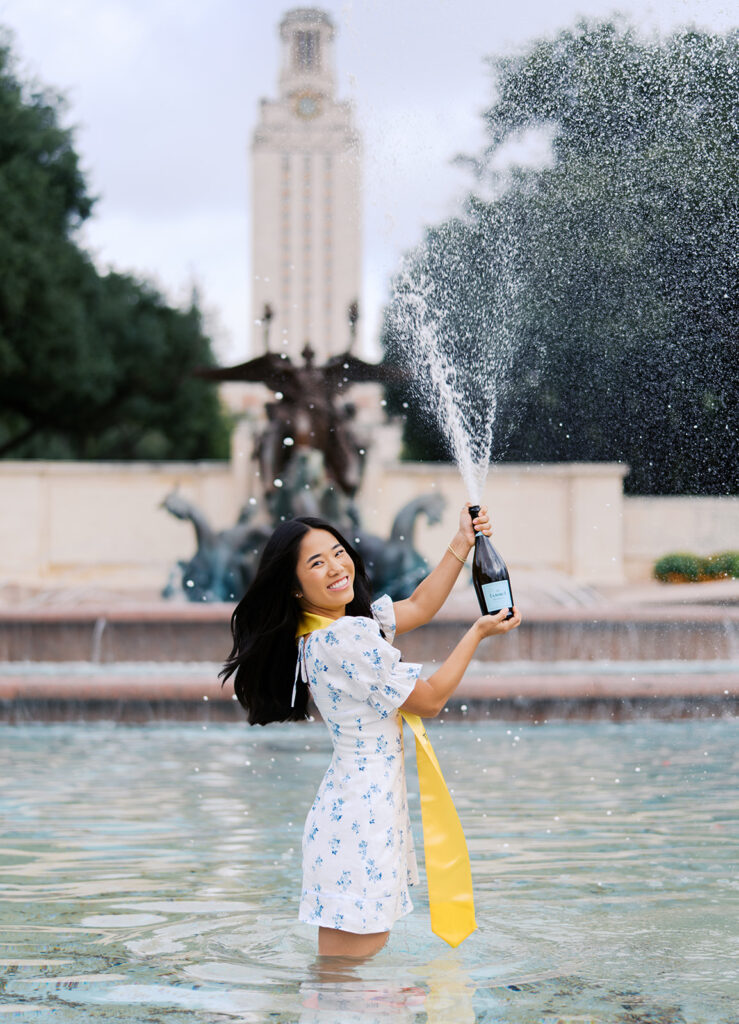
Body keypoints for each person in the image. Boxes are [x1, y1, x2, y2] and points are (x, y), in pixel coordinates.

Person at [220, 504, 521, 959]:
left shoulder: (329, 631)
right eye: (316, 563)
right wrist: (477, 633)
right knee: (348, 973)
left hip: (356, 811)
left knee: (345, 973)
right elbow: (432, 699)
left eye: (338, 552)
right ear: (295, 587)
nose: (336, 567)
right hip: (362, 817)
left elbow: (420, 606)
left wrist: (461, 542)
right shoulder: (345, 640)